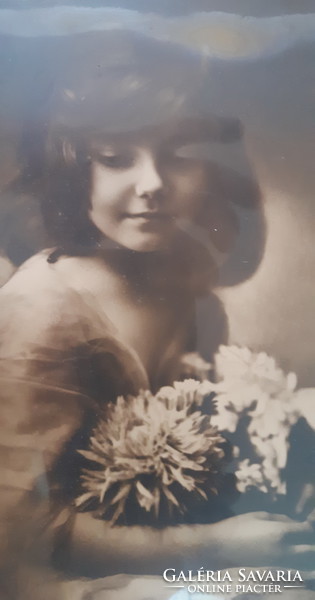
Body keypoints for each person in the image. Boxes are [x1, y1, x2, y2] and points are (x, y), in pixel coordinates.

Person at [0, 31, 314, 597]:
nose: (152, 185)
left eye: (178, 155)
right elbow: (24, 532)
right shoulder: (40, 311)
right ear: (75, 169)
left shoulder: (186, 284)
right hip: (64, 575)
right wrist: (213, 550)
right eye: (116, 158)